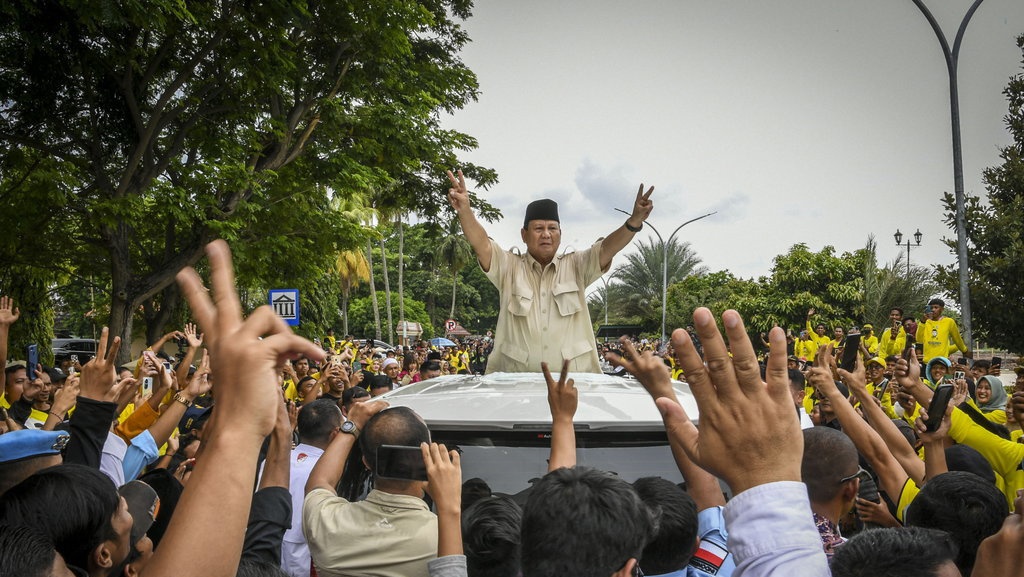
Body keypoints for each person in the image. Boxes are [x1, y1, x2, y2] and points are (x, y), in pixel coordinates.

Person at [447, 169, 654, 373]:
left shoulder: (578, 265)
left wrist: (634, 222)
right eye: (538, 229)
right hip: (515, 386)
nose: (546, 234)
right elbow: (482, 244)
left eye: (552, 228)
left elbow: (608, 248)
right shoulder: (508, 266)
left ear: (560, 234)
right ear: (524, 234)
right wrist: (465, 210)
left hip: (574, 385)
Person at [303, 403, 438, 577]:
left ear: (365, 462)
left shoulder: (329, 522)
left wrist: (352, 426)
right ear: (426, 458)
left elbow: (319, 483)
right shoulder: (443, 535)